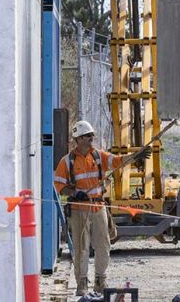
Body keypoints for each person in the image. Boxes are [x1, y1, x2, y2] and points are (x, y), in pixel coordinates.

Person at [53, 120, 152, 296]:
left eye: (92, 135)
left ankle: (100, 282)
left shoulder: (98, 156)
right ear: (79, 139)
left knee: (103, 246)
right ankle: (81, 284)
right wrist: (75, 193)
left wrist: (135, 156)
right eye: (88, 135)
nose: (92, 138)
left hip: (98, 207)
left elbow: (118, 161)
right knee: (81, 248)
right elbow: (59, 185)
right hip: (78, 210)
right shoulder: (66, 162)